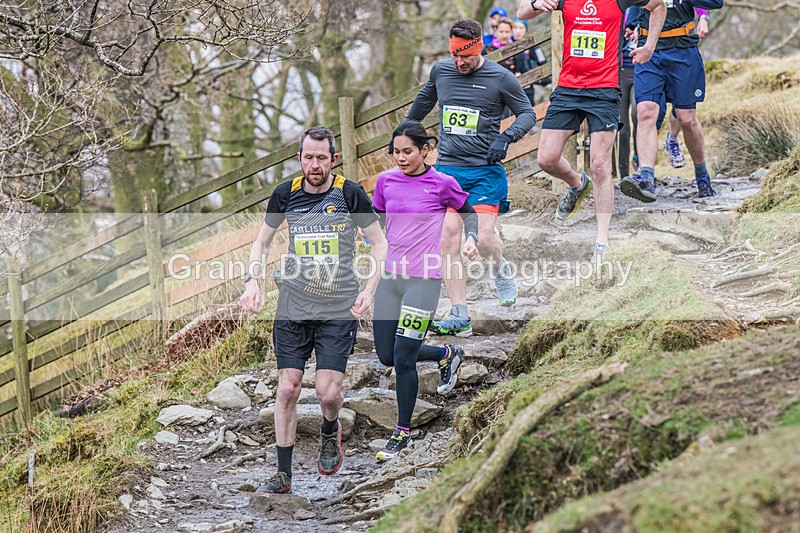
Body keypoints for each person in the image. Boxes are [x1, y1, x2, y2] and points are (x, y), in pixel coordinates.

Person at [239, 126, 388, 494]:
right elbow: (261, 243)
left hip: (338, 306)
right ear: (300, 158)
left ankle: (328, 429)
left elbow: (380, 244)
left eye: (322, 157)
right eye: (308, 157)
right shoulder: (285, 194)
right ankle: (283, 474)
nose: (315, 164)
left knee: (326, 393)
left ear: (333, 159)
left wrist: (370, 290)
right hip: (293, 304)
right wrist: (251, 282)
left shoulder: (348, 193)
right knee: (288, 389)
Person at [408, 18, 536, 337]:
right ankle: (460, 313)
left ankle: (500, 266)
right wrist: (406, 129)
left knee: (484, 237)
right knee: (447, 238)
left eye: (466, 56)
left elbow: (528, 113)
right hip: (448, 172)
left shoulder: (500, 77)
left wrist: (505, 139)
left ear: (479, 46)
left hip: (484, 174)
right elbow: (425, 99)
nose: (460, 62)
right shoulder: (441, 71)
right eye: (455, 55)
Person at [518, 0, 666, 262]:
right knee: (546, 159)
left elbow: (659, 5)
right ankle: (577, 184)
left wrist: (650, 46)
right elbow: (522, 12)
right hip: (568, 88)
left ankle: (602, 240)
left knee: (600, 165)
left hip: (604, 90)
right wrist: (535, 3)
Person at [371, 119, 480, 461]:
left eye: (407, 151)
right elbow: (374, 221)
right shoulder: (385, 181)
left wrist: (471, 237)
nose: (400, 158)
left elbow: (468, 212)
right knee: (386, 355)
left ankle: (402, 433)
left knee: (404, 359)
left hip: (424, 281)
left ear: (424, 150)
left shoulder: (441, 183)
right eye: (396, 152)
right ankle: (447, 354)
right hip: (390, 280)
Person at [620, 1, 722, 203]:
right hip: (649, 51)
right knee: (645, 112)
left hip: (682, 49)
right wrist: (631, 25)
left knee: (686, 119)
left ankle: (702, 175)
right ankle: (646, 177)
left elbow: (716, 2)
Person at [661, 8, 711, 170]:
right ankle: (644, 172)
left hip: (683, 47)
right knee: (649, 111)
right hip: (652, 48)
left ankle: (672, 139)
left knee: (685, 113)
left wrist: (703, 17)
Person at [619, 7, 641, 178]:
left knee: (638, 114)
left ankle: (641, 164)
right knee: (623, 127)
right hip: (621, 71)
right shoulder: (618, 6)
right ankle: (624, 174)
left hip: (642, 69)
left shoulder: (647, 6)